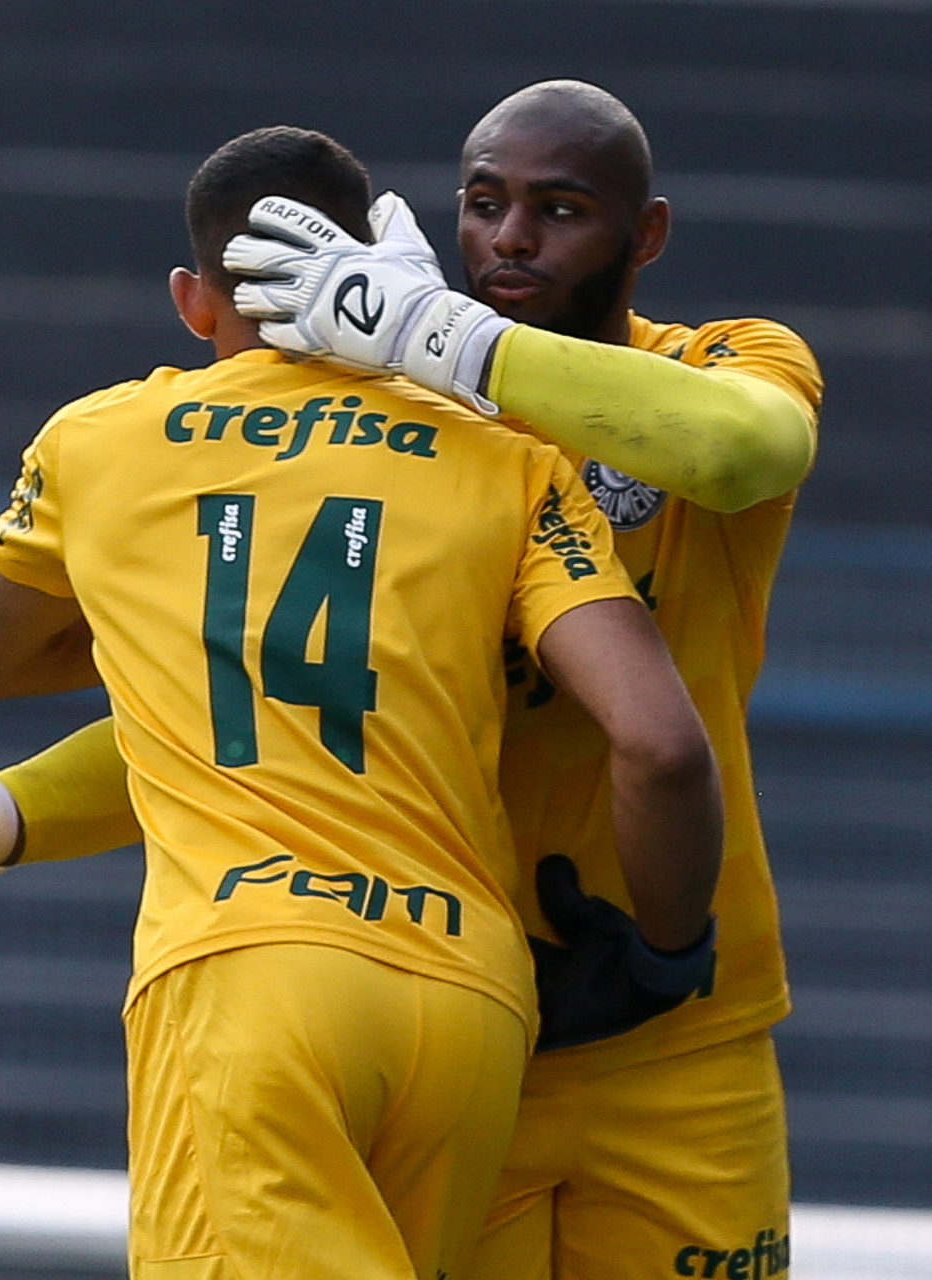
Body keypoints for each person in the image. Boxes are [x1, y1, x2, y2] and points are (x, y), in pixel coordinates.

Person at [0, 123, 724, 1280]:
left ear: (191, 299)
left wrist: (182, 608)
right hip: (468, 1003)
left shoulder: (101, 440)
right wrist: (667, 953)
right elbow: (659, 745)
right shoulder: (506, 458)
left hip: (250, 975)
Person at [216, 82, 823, 1280]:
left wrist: (440, 338)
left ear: (645, 234)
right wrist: (2, 811)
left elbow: (741, 450)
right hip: (467, 1018)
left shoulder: (726, 362)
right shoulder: (397, 420)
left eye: (559, 210)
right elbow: (283, 686)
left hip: (688, 1028)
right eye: (483, 203)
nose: (508, 238)